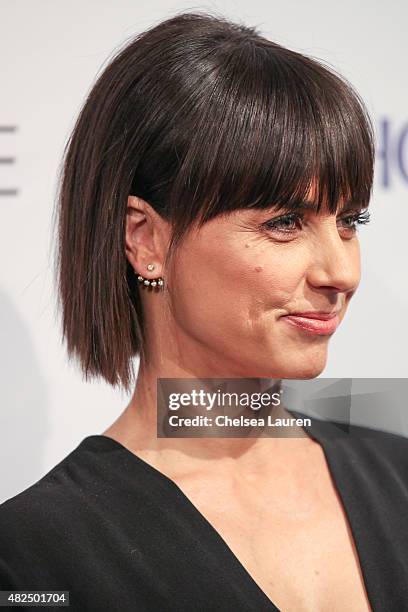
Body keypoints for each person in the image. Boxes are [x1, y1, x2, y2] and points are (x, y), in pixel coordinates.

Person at [1, 10, 408, 612]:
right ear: (146, 239)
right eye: (285, 223)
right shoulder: (34, 555)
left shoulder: (398, 474)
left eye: (350, 221)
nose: (341, 273)